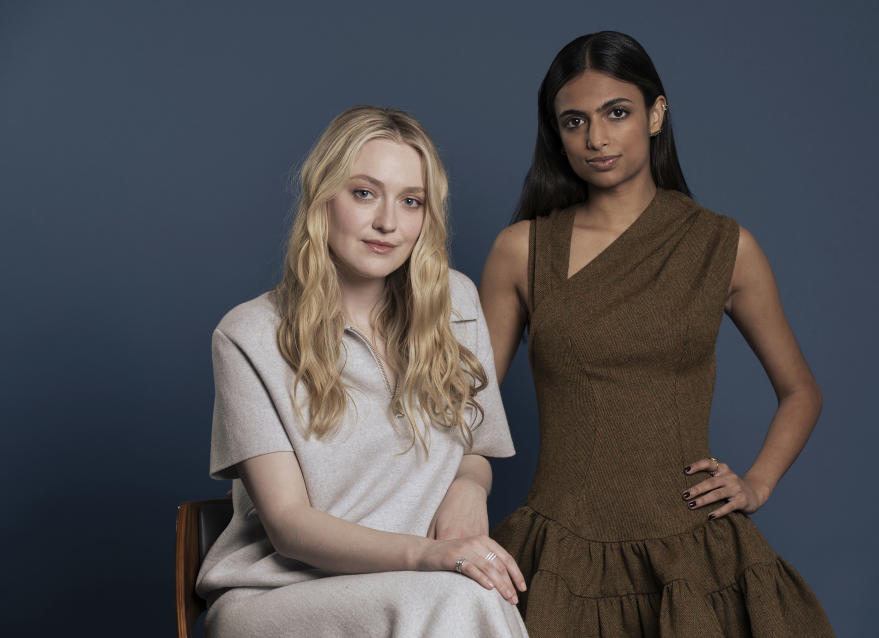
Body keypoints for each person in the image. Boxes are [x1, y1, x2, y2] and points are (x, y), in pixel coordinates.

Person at [481, 32, 835, 636]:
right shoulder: (524, 250)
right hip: (562, 554)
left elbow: (801, 390)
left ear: (656, 113)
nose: (596, 139)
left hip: (693, 554)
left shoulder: (724, 247)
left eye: (616, 113)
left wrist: (755, 484)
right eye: (574, 121)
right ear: (557, 133)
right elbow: (466, 407)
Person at [195, 106, 528, 638]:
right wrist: (433, 557)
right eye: (364, 193)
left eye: (411, 201)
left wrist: (468, 487)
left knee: (466, 597)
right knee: (459, 602)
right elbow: (289, 527)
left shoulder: (456, 303)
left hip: (427, 585)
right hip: (280, 594)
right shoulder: (248, 334)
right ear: (323, 197)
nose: (388, 224)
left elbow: (477, 449)